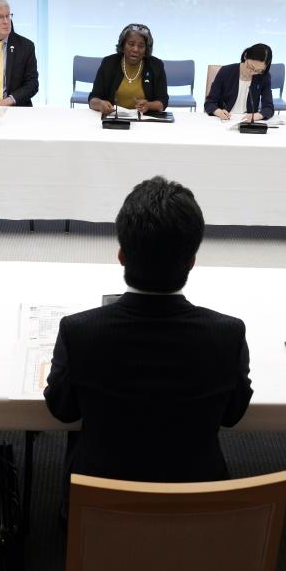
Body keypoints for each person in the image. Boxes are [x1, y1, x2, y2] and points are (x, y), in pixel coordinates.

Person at [44, 176, 253, 483]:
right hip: (198, 513)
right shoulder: (228, 335)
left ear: (121, 256)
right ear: (192, 261)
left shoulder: (79, 332)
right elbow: (232, 415)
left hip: (99, 513)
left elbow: (63, 410)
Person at [88, 24, 167, 115]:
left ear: (146, 49)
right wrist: (100, 104)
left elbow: (163, 102)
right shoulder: (109, 63)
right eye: (131, 44)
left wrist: (149, 105)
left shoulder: (156, 65)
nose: (135, 49)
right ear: (123, 45)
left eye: (141, 46)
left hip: (144, 119)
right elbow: (93, 99)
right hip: (114, 119)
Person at [204, 43, 274, 121]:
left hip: (247, 122)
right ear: (245, 56)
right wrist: (218, 112)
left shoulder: (264, 77)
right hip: (225, 119)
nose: (252, 72)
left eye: (258, 70)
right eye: (250, 67)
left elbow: (269, 108)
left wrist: (257, 116)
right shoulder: (225, 71)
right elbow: (209, 103)